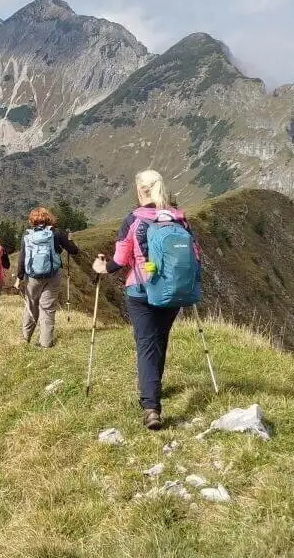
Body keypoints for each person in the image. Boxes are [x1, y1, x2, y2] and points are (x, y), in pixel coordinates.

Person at [93, 169, 201, 430]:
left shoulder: (134, 219)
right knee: (160, 340)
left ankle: (151, 406)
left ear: (141, 190)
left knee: (146, 344)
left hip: (141, 291)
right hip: (173, 291)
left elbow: (119, 261)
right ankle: (154, 389)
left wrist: (100, 268)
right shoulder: (180, 219)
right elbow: (196, 255)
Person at [14, 207, 80, 347]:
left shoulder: (27, 235)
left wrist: (19, 278)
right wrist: (70, 239)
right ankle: (45, 343)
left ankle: (25, 339)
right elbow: (74, 251)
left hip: (32, 278)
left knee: (31, 306)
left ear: (32, 220)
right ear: (49, 218)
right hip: (52, 276)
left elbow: (22, 258)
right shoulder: (56, 233)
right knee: (48, 308)